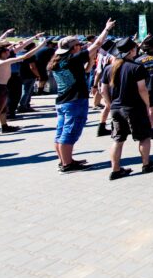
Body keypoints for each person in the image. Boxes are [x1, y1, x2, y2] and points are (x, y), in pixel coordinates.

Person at [48, 20, 115, 172]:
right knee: (70, 133)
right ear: (73, 48)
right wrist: (106, 29)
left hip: (62, 101)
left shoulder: (57, 61)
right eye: (78, 44)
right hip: (74, 101)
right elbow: (97, 44)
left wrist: (90, 61)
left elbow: (85, 71)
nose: (81, 46)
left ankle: (64, 160)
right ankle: (67, 165)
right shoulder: (73, 59)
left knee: (61, 132)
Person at [105, 37, 153, 180]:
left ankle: (115, 169)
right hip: (134, 107)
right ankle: (146, 164)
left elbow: (103, 90)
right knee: (144, 137)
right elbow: (142, 89)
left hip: (116, 108)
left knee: (118, 140)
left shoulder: (109, 68)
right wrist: (147, 105)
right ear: (132, 50)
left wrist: (109, 104)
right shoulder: (136, 67)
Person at [0, 33, 46, 134]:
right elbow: (26, 56)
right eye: (6, 50)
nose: (8, 51)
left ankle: (4, 126)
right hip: (0, 88)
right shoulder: (2, 62)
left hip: (3, 87)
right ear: (2, 53)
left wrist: (34, 38)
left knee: (3, 109)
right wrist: (41, 45)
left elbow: (22, 46)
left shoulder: (3, 59)